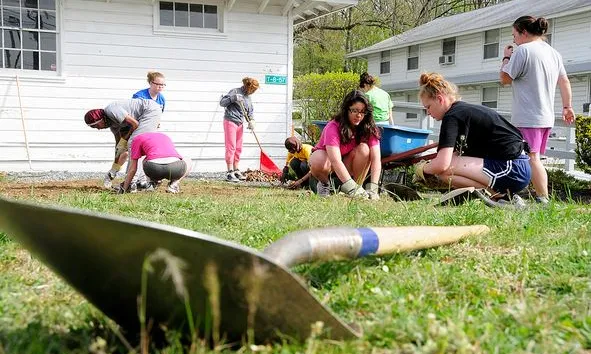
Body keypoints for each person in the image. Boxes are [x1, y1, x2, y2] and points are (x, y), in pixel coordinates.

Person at [414, 72, 531, 200]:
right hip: (519, 168)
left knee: (445, 172)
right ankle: (498, 196)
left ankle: (498, 196)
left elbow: (442, 164)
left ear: (440, 99)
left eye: (428, 107)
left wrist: (422, 169)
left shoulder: (452, 116)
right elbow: (453, 156)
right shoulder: (462, 111)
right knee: (446, 168)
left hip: (510, 168)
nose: (428, 112)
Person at [500, 15, 575, 204]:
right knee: (532, 158)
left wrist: (506, 57)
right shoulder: (553, 53)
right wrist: (567, 107)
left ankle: (542, 199)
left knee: (530, 158)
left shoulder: (523, 51)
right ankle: (522, 195)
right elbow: (564, 81)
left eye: (514, 35)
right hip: (545, 117)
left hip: (527, 117)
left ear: (523, 32)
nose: (514, 40)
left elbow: (505, 79)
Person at [309, 90, 382, 199]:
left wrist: (373, 188)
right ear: (346, 109)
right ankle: (324, 185)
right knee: (318, 158)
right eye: (354, 111)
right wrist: (350, 186)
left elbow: (376, 158)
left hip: (347, 168)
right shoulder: (333, 127)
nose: (359, 115)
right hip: (330, 169)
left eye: (362, 112)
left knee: (364, 149)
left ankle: (358, 188)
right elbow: (335, 160)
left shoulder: (369, 128)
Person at [84, 98, 161, 190]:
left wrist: (125, 138)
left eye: (96, 126)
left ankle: (131, 183)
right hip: (147, 113)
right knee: (135, 146)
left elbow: (135, 124)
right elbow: (119, 147)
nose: (98, 129)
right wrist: (113, 169)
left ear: (100, 119)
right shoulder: (114, 126)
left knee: (134, 144)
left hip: (149, 110)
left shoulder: (111, 110)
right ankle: (141, 181)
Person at [118, 132, 189, 194]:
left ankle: (151, 184)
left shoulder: (136, 139)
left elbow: (133, 169)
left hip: (154, 168)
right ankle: (174, 184)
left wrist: (124, 187)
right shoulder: (164, 136)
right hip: (175, 168)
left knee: (146, 159)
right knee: (188, 159)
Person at [219, 77, 259, 183]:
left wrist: (252, 120)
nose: (253, 92)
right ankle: (229, 171)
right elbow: (222, 103)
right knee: (231, 147)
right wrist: (233, 98)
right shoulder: (235, 91)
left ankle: (236, 170)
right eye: (253, 90)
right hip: (230, 121)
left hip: (240, 123)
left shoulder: (248, 98)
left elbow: (249, 111)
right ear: (248, 86)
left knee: (238, 148)